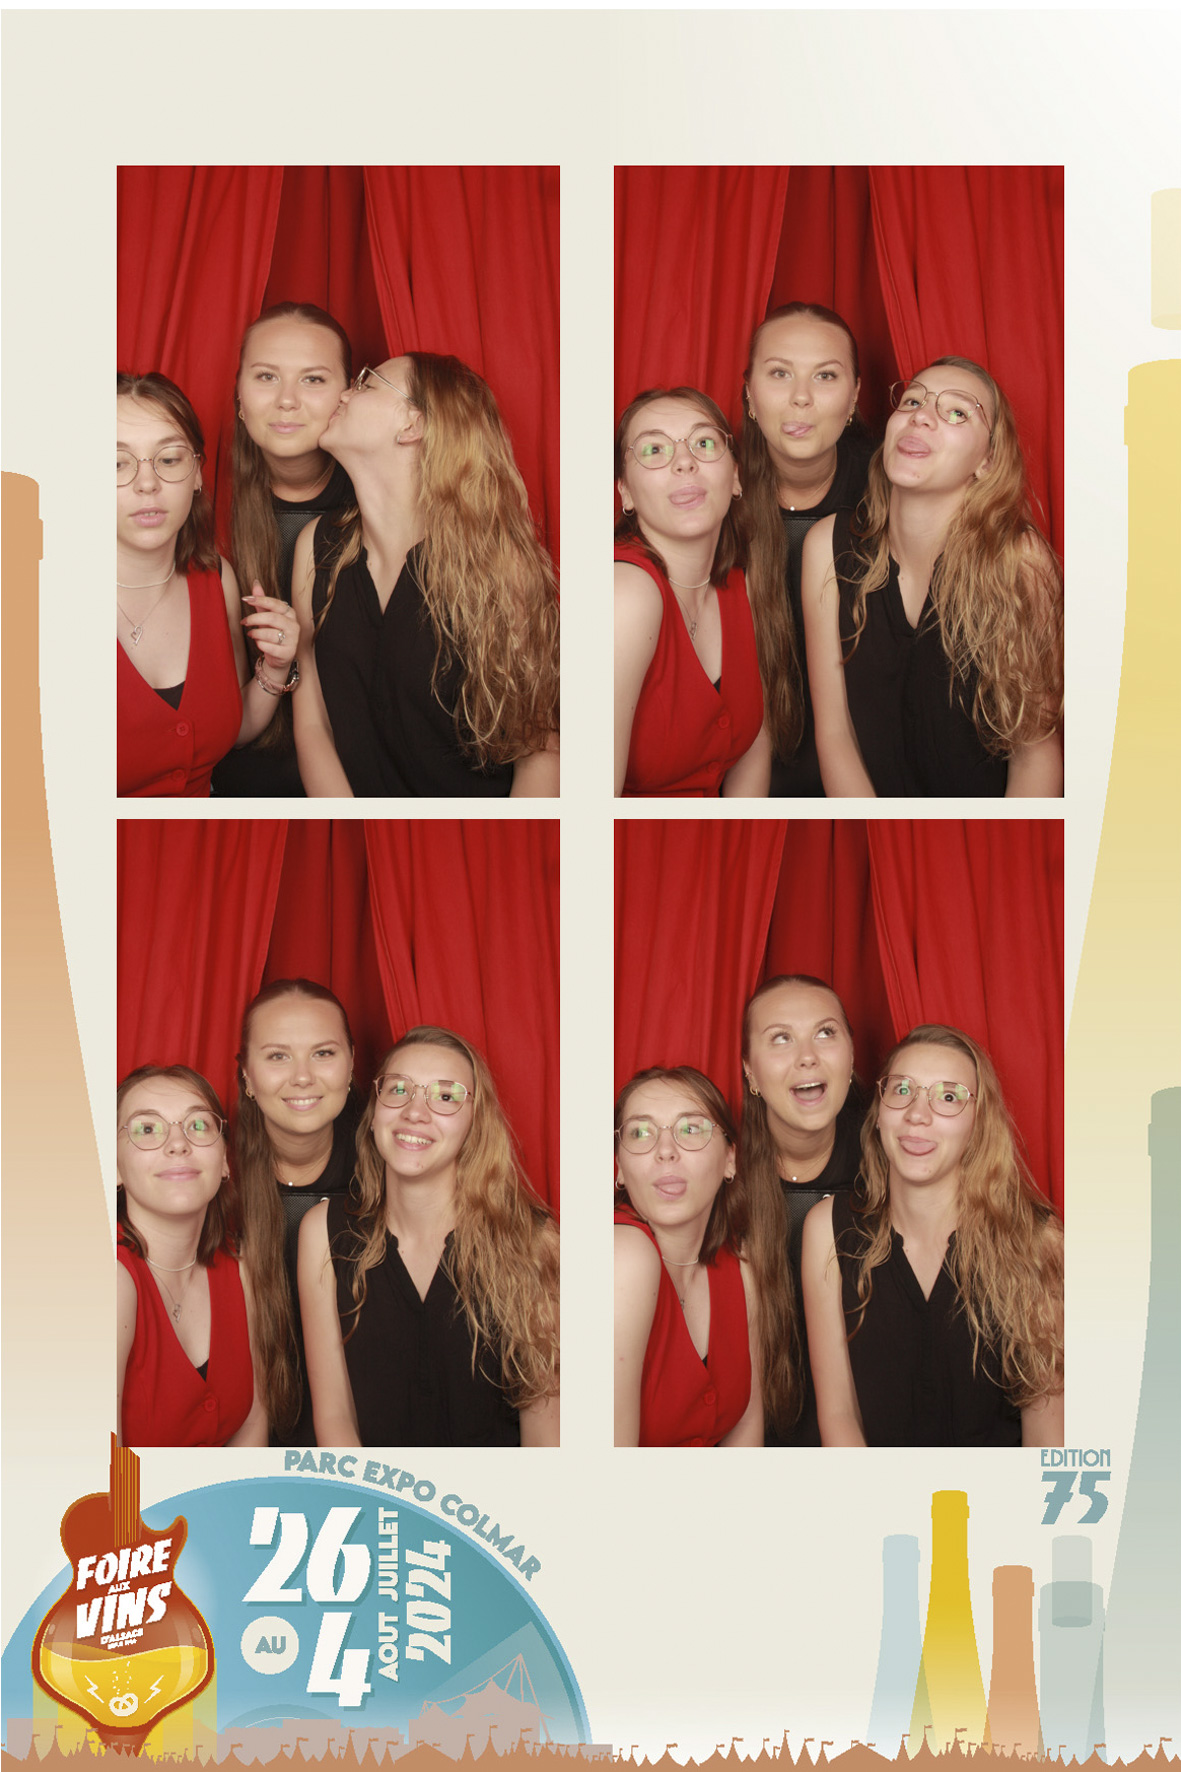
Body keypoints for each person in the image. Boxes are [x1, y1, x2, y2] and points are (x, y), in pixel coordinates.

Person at [292, 355, 560, 797]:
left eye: (366, 384)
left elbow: (538, 748)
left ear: (412, 425)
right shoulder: (315, 548)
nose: (344, 393)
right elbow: (313, 724)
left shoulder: (498, 565)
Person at [802, 358, 1064, 797]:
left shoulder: (1019, 560)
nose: (922, 416)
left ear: (987, 461)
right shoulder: (826, 547)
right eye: (912, 401)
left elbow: (1034, 754)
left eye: (957, 411)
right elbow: (835, 734)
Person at [801, 1024, 1064, 1447]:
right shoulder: (826, 1230)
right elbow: (839, 1414)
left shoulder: (1038, 1240)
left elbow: (1046, 1437)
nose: (917, 1114)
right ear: (879, 1112)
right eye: (902, 1090)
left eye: (948, 1097)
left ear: (979, 1122)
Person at [298, 1027, 560, 1446]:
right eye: (399, 1089)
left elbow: (545, 1439)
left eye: (446, 1095)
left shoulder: (534, 1241)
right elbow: (334, 1417)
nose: (415, 1112)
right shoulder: (322, 1232)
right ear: (374, 1111)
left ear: (475, 1121)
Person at [117, 371, 298, 797]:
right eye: (115, 463)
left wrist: (275, 667)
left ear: (197, 473)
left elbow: (230, 729)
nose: (147, 483)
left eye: (169, 459)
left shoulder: (216, 578)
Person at [212, 303, 354, 798]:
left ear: (349, 396)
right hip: (241, 771)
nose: (287, 400)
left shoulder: (381, 503)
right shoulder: (199, 504)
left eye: (313, 379)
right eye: (266, 376)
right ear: (239, 395)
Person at [614, 1066, 797, 1447]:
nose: (665, 1151)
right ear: (618, 1168)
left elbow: (746, 1430)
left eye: (691, 1129)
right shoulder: (621, 1256)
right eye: (640, 1132)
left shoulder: (741, 1264)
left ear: (731, 1159)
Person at [740, 304, 876, 796]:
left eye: (825, 375)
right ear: (749, 392)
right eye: (780, 373)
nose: (801, 397)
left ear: (855, 394)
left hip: (872, 757)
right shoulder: (709, 488)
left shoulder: (896, 483)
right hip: (744, 759)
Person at [614, 387, 774, 797]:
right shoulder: (623, 595)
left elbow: (754, 747)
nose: (684, 461)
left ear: (735, 476)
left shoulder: (742, 581)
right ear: (625, 492)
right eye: (653, 449)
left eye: (704, 443)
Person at [740, 974, 865, 1445]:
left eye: (825, 1032)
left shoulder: (899, 1159)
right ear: (750, 1072)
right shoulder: (720, 1173)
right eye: (781, 1038)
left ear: (852, 1056)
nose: (807, 1056)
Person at [235, 979, 360, 1447]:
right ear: (246, 1075)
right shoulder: (208, 1171)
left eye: (323, 1053)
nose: (303, 1077)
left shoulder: (396, 1161)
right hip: (245, 1417)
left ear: (352, 1063)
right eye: (277, 1056)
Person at [117, 1065, 266, 1447]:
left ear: (226, 1161)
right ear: (114, 1166)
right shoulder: (108, 1283)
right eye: (147, 1129)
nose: (178, 1143)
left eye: (198, 1125)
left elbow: (252, 1424)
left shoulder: (241, 1267)